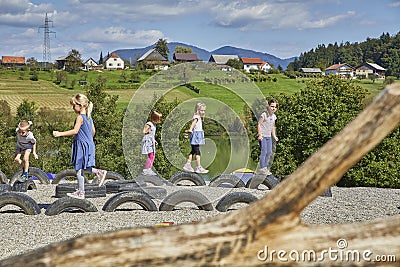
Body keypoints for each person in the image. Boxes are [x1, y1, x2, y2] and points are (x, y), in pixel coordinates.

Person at [53, 93, 107, 199]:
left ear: (80, 106)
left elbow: (75, 130)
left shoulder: (80, 118)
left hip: (82, 145)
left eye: (74, 105)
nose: (73, 108)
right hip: (89, 144)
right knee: (83, 168)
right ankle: (98, 172)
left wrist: (60, 134)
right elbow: (93, 132)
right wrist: (88, 140)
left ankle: (81, 192)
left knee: (78, 169)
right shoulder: (89, 117)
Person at [183, 102, 209, 174]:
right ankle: (198, 167)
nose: (203, 112)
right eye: (201, 110)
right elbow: (193, 124)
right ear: (197, 110)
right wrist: (190, 129)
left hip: (197, 135)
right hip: (196, 136)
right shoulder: (196, 117)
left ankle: (188, 164)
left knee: (193, 151)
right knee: (197, 151)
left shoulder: (198, 117)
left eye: (204, 110)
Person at [257, 99, 279, 175]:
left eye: (275, 107)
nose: (273, 108)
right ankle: (262, 168)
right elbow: (259, 124)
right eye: (272, 106)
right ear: (268, 106)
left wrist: (274, 136)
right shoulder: (264, 115)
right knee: (264, 151)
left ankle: (265, 168)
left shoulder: (274, 117)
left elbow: (273, 127)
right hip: (262, 136)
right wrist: (259, 135)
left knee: (269, 152)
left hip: (268, 137)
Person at [141, 110, 162, 176]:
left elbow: (152, 135)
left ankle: (148, 169)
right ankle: (146, 170)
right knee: (151, 156)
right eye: (159, 119)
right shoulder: (149, 124)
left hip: (151, 141)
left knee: (152, 156)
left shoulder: (154, 124)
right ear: (154, 118)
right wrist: (148, 131)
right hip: (148, 142)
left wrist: (154, 140)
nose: (159, 121)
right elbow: (144, 131)